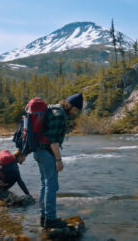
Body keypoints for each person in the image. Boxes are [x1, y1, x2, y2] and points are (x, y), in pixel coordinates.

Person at [34, 93, 83, 229]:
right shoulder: (59, 115)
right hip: (46, 152)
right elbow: (53, 142)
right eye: (76, 110)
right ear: (70, 105)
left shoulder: (52, 109)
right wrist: (59, 160)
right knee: (52, 185)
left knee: (45, 184)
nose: (75, 113)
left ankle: (43, 217)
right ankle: (50, 219)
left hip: (38, 151)